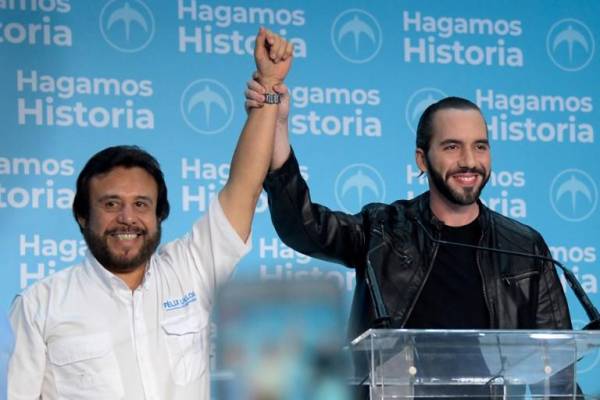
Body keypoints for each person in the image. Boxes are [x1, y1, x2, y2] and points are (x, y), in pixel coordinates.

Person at [8, 28, 293, 400]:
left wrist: (269, 86)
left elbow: (244, 187)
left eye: (141, 204)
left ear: (159, 215)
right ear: (81, 215)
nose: (127, 218)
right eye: (111, 204)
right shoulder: (39, 305)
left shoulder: (192, 270)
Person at [246, 84, 573, 396]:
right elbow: (302, 227)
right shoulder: (382, 230)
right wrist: (276, 123)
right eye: (452, 146)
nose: (469, 161)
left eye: (480, 146)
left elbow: (559, 373)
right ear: (422, 158)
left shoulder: (525, 247)